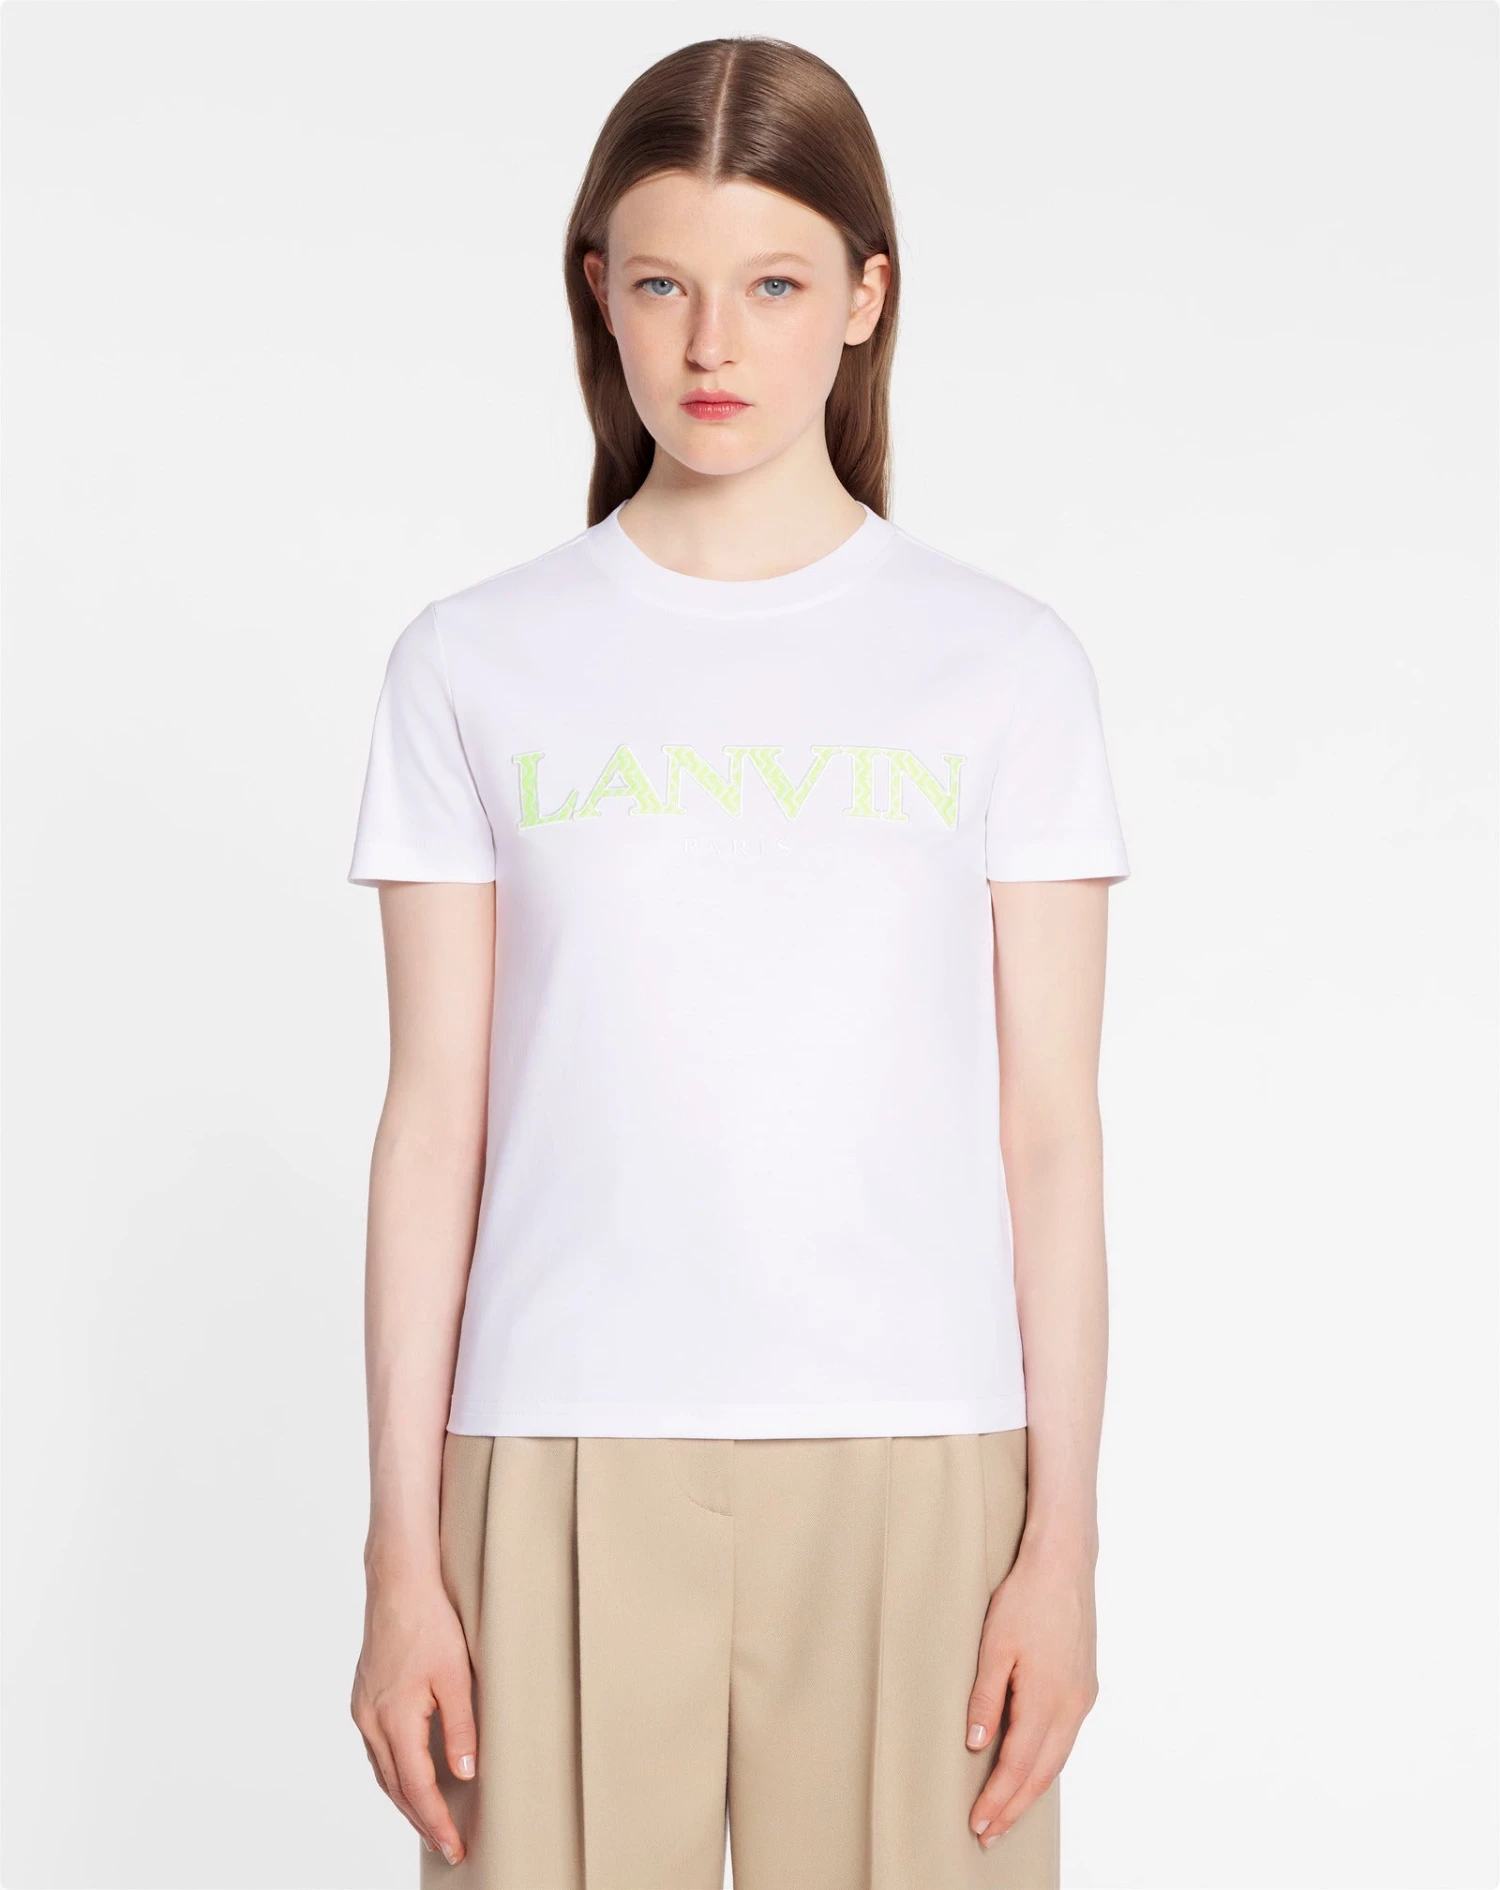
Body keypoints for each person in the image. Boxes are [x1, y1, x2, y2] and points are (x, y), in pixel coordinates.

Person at [346, 33, 1130, 1890]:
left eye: (774, 285)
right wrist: (399, 1552)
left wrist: (1063, 1543)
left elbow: (1050, 1133)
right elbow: (433, 1120)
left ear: (865, 297)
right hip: (552, 1449)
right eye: (664, 285)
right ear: (596, 293)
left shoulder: (1005, 665)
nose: (714, 345)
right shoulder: (470, 662)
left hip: (920, 1454)